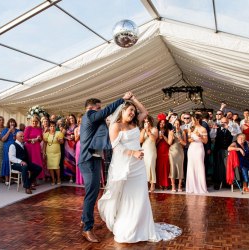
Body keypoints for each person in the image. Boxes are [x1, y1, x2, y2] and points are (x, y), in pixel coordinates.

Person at [98, 95, 181, 243]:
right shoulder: (115, 126)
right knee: (129, 197)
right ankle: (128, 228)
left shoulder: (135, 123)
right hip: (125, 166)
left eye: (134, 111)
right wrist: (133, 152)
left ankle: (142, 228)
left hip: (138, 166)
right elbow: (115, 146)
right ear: (122, 110)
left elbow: (145, 111)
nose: (133, 113)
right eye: (130, 110)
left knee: (141, 196)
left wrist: (134, 99)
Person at [78, 92, 132, 243]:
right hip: (87, 160)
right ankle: (87, 229)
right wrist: (122, 99)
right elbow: (107, 111)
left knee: (92, 193)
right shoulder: (89, 115)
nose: (101, 111)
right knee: (92, 193)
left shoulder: (94, 119)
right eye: (99, 108)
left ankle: (84, 220)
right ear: (93, 107)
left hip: (94, 159)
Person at [186, 114, 209, 194]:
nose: (192, 121)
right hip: (192, 148)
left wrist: (200, 136)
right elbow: (188, 140)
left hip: (199, 148)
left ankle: (201, 187)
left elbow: (205, 141)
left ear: (198, 120)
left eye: (193, 120)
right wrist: (191, 139)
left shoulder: (203, 129)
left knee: (199, 166)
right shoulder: (191, 128)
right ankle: (191, 187)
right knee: (191, 166)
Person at [139, 115, 158, 192]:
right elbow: (140, 141)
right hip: (144, 149)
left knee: (151, 165)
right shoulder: (142, 130)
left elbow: (154, 139)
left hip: (151, 150)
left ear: (150, 121)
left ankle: (152, 183)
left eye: (147, 121)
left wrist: (149, 132)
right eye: (145, 122)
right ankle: (145, 183)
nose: (146, 123)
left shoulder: (154, 129)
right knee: (144, 166)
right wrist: (144, 131)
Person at [43, 121, 64, 185]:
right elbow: (45, 144)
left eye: (53, 126)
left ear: (55, 127)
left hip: (57, 153)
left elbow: (62, 142)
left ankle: (58, 179)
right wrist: (44, 152)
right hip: (49, 152)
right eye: (51, 126)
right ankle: (53, 179)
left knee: (57, 166)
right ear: (49, 127)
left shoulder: (59, 133)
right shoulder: (46, 134)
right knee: (50, 167)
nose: (52, 127)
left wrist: (59, 140)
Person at [1, 118, 20, 185]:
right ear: (9, 123)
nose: (12, 123)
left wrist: (14, 133)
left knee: (15, 161)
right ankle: (7, 180)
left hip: (16, 147)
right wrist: (9, 131)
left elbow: (18, 139)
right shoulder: (5, 130)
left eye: (13, 122)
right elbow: (3, 140)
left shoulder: (18, 130)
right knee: (7, 161)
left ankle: (14, 178)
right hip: (7, 148)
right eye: (11, 122)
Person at [169, 119, 185, 192]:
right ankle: (173, 186)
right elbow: (169, 143)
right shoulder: (171, 132)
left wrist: (180, 139)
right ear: (173, 124)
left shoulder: (183, 132)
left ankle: (179, 186)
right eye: (175, 124)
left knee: (180, 168)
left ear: (180, 124)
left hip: (180, 151)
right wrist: (172, 137)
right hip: (172, 151)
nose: (177, 125)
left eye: (178, 124)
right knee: (172, 167)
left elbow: (185, 144)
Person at [74, 113, 84, 185]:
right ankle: (79, 180)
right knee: (79, 162)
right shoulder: (76, 129)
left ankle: (85, 179)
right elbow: (76, 139)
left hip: (85, 145)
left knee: (85, 162)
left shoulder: (87, 127)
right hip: (79, 145)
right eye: (80, 119)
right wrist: (81, 134)